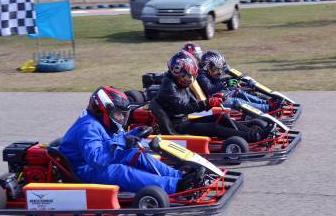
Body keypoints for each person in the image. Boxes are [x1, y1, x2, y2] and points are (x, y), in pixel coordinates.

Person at [59, 86, 203, 194]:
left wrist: (135, 133)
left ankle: (179, 176)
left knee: (136, 154)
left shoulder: (100, 122)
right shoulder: (88, 127)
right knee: (120, 171)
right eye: (118, 113)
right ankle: (176, 186)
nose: (122, 118)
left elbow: (112, 141)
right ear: (102, 110)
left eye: (123, 114)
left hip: (97, 162)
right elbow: (95, 159)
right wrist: (123, 142)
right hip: (82, 170)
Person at [155, 51, 272, 142]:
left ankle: (254, 133)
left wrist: (213, 99)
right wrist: (208, 103)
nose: (190, 79)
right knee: (214, 127)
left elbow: (193, 102)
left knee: (222, 117)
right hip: (177, 127)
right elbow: (184, 108)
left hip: (184, 120)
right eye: (188, 76)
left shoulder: (177, 83)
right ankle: (252, 137)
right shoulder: (168, 87)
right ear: (178, 72)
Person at [197, 50, 280, 113]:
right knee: (236, 101)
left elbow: (217, 82)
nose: (218, 72)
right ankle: (268, 108)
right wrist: (225, 84)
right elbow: (210, 89)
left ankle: (266, 103)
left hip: (219, 96)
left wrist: (229, 80)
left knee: (238, 92)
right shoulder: (201, 76)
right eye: (215, 69)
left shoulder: (208, 74)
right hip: (212, 102)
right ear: (207, 67)